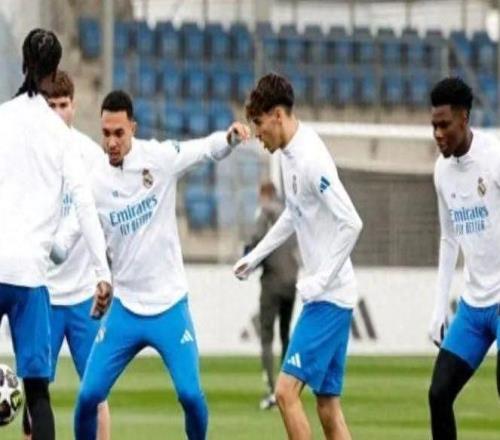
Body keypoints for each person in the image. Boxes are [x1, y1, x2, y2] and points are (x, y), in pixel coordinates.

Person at [51, 90, 250, 440]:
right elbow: (68, 234)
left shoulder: (158, 158)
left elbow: (203, 149)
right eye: (106, 133)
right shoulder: (94, 181)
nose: (111, 142)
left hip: (169, 305)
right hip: (125, 308)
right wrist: (47, 249)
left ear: (133, 128)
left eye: (119, 133)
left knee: (191, 396)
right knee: (88, 397)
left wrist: (229, 140)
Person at [233, 73, 363, 440]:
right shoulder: (288, 156)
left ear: (277, 115)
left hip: (329, 297)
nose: (256, 134)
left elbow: (352, 223)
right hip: (333, 295)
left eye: (258, 123)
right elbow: (293, 213)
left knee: (285, 392)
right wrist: (256, 256)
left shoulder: (310, 159)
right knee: (328, 406)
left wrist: (321, 280)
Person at [0, 29, 112, 440]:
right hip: (31, 278)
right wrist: (103, 272)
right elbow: (84, 203)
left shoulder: (2, 118)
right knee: (37, 393)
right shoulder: (60, 134)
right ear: (55, 70)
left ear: (23, 63)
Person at [428, 77, 500, 440]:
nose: (438, 134)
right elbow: (448, 238)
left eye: (444, 125)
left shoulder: (494, 158)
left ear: (464, 118)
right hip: (473, 306)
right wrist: (439, 307)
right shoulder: (442, 171)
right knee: (438, 394)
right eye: (434, 126)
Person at [245, 181, 299, 410]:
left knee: (267, 336)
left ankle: (272, 391)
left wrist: (247, 262)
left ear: (263, 195)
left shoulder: (265, 213)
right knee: (286, 334)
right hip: (292, 281)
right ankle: (289, 388)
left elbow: (255, 241)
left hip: (272, 282)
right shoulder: (290, 213)